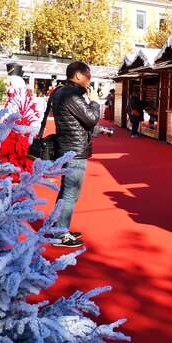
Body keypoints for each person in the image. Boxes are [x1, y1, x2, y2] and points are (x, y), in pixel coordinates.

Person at [50, 61, 101, 248]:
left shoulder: (62, 92)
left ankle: (57, 227)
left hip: (68, 147)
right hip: (74, 151)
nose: (90, 78)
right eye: (88, 74)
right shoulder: (71, 95)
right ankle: (61, 234)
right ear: (78, 76)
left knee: (67, 192)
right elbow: (91, 119)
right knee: (71, 194)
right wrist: (95, 101)